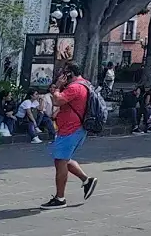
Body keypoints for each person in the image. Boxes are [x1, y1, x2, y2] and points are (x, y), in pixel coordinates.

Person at [41, 63, 98, 210]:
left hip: (70, 129)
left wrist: (58, 86)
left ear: (69, 74)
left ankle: (60, 198)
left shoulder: (74, 87)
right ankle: (87, 180)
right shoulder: (84, 84)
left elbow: (57, 101)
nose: (61, 76)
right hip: (74, 128)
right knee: (64, 159)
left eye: (64, 74)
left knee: (60, 161)